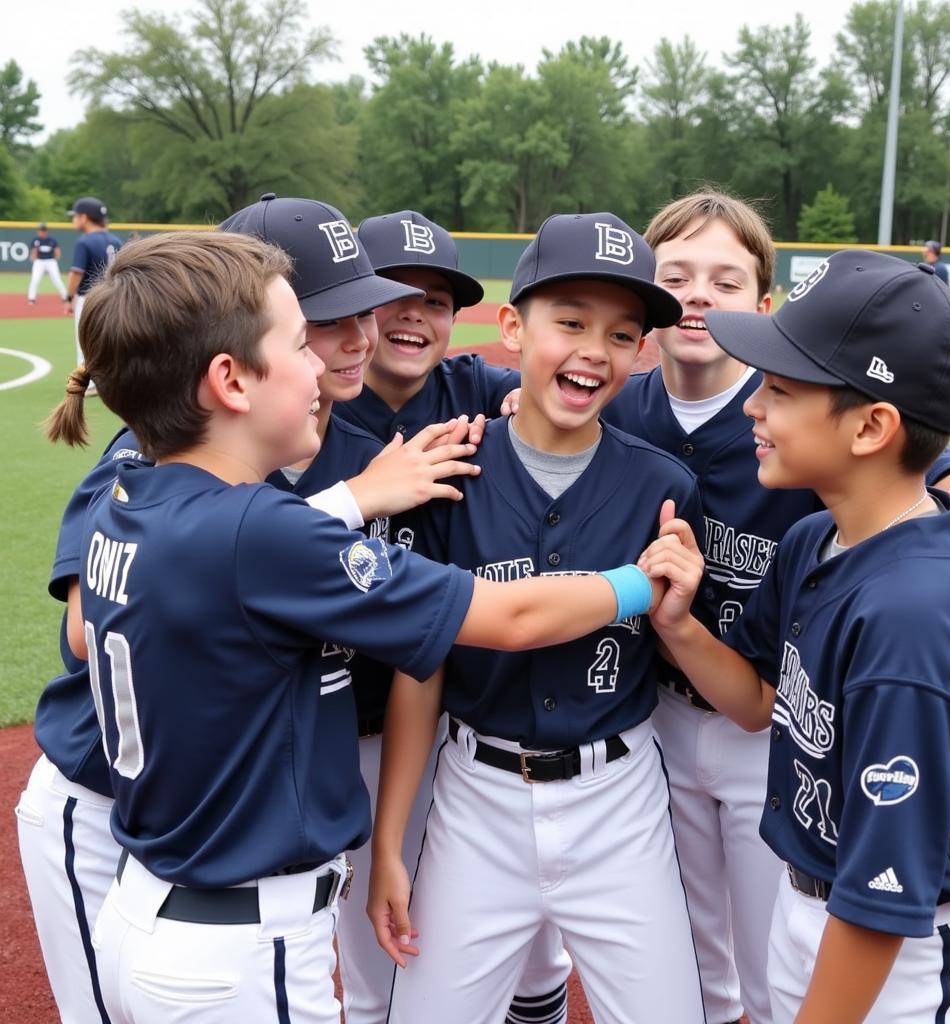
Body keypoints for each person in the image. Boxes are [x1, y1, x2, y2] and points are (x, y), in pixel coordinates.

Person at [46, 229, 666, 1024]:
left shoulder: (126, 498)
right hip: (242, 945)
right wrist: (636, 581)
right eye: (302, 343)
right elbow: (507, 616)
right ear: (230, 380)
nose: (328, 365)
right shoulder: (262, 533)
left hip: (147, 910)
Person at [18, 196, 481, 1024]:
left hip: (228, 806)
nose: (356, 337)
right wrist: (344, 505)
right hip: (102, 793)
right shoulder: (158, 445)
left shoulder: (337, 437)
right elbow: (84, 631)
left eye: (361, 308)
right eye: (317, 323)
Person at [601, 190, 950, 1024]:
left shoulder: (911, 620)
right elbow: (757, 701)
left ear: (867, 430)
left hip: (900, 951)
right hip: (810, 900)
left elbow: (885, 889)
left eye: (781, 390)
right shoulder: (814, 540)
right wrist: (678, 624)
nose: (754, 402)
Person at [370, 212, 707, 1024]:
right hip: (476, 796)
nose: (595, 348)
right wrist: (389, 843)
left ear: (642, 353)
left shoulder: (660, 485)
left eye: (623, 334)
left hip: (617, 799)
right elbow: (424, 669)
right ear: (512, 327)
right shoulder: (450, 470)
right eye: (570, 322)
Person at [334, 209, 520, 443]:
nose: (413, 313)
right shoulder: (317, 398)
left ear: (452, 319)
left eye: (435, 302)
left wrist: (533, 400)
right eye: (392, 294)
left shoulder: (477, 386)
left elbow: (553, 392)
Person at [66, 196, 123, 373]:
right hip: (113, 296)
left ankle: (88, 382)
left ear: (84, 217)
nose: (73, 219)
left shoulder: (84, 241)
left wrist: (69, 298)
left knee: (84, 340)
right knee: (111, 338)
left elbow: (77, 272)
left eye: (75, 216)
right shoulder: (115, 240)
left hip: (89, 298)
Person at [27, 223, 68, 303]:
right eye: (40, 230)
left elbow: (57, 250)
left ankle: (65, 297)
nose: (41, 232)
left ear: (46, 231)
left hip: (50, 261)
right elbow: (34, 251)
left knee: (57, 279)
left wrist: (55, 259)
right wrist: (35, 260)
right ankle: (31, 298)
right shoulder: (36, 240)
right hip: (39, 261)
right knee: (35, 280)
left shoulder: (52, 240)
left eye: (43, 230)